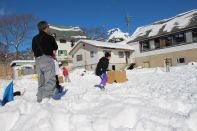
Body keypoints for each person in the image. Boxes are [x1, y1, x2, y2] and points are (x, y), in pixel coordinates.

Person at [32, 21, 58, 102]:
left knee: (41, 80)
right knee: (50, 80)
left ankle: (39, 99)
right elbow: (55, 47)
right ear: (45, 28)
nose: (48, 29)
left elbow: (33, 49)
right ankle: (46, 100)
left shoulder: (34, 38)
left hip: (38, 61)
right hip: (47, 59)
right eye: (48, 27)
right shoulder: (50, 37)